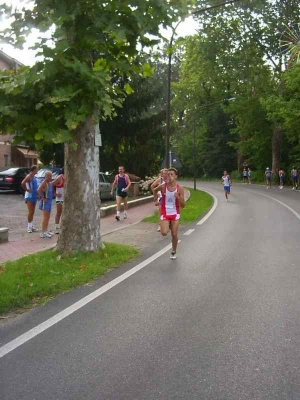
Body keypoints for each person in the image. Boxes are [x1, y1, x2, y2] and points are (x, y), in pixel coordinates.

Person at [153, 168, 185, 260]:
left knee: (174, 234)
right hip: (165, 212)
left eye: (172, 174)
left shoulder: (180, 188)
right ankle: (169, 225)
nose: (169, 176)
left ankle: (174, 251)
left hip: (175, 213)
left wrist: (178, 197)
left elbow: (183, 205)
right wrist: (156, 198)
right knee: (164, 233)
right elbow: (154, 189)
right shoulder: (163, 186)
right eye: (168, 174)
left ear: (176, 176)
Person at [21, 165, 39, 233]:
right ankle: (29, 227)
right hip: (29, 196)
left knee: (33, 212)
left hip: (34, 196)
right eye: (37, 169)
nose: (37, 170)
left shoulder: (34, 177)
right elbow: (22, 183)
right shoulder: (29, 176)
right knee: (30, 211)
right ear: (34, 170)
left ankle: (31, 225)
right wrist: (27, 190)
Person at [37, 171, 54, 238]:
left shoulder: (49, 183)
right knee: (45, 217)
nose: (49, 177)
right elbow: (38, 190)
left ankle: (46, 230)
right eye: (48, 176)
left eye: (50, 176)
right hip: (45, 202)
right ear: (45, 176)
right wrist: (43, 198)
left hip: (49, 201)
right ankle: (43, 232)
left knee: (48, 217)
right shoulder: (44, 183)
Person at [52, 168, 65, 234]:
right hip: (59, 198)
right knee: (59, 212)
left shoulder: (68, 177)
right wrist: (55, 194)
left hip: (65, 198)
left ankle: (63, 227)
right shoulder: (59, 177)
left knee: (65, 213)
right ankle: (57, 227)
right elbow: (51, 184)